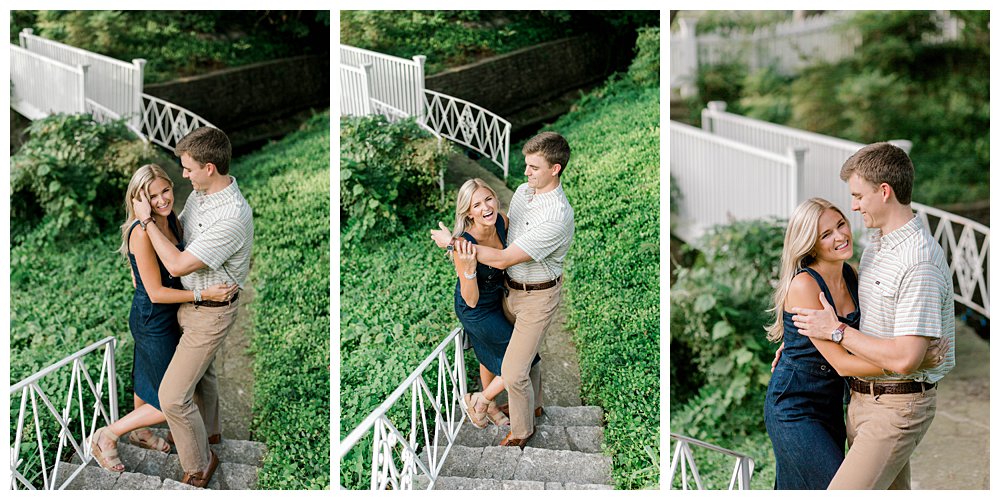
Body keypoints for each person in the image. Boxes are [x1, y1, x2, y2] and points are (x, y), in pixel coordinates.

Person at [791, 142, 955, 489]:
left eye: (858, 196)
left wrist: (834, 331)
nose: (854, 206)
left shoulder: (917, 261)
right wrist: (797, 346)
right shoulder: (878, 245)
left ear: (884, 192)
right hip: (862, 401)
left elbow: (906, 359)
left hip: (897, 407)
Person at [763, 197, 946, 489]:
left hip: (834, 402)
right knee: (832, 485)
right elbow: (842, 363)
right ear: (810, 244)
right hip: (795, 406)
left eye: (840, 225)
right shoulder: (805, 285)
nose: (840, 236)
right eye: (826, 234)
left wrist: (914, 343)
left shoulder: (852, 275)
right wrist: (907, 362)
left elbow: (872, 333)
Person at [89, 165, 236, 473]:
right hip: (154, 317)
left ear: (172, 187)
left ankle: (141, 433)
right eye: (151, 196)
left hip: (164, 314)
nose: (161, 200)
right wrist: (203, 295)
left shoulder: (170, 221)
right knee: (172, 397)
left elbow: (140, 275)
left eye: (164, 191)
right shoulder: (142, 232)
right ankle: (108, 435)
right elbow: (154, 293)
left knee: (148, 380)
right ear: (138, 200)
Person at [432, 131, 574, 448]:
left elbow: (504, 257)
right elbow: (505, 228)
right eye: (526, 165)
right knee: (522, 357)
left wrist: (453, 245)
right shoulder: (524, 193)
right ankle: (532, 404)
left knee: (512, 370)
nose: (525, 173)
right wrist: (465, 252)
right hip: (506, 294)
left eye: (534, 167)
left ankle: (520, 430)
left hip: (538, 296)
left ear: (555, 169)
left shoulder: (557, 217)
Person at [133, 127, 254, 487]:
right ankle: (211, 433)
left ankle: (201, 463)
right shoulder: (202, 195)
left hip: (211, 312)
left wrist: (144, 222)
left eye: (188, 169)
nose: (183, 176)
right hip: (192, 305)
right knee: (205, 376)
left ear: (210, 168)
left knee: (172, 396)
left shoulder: (231, 216)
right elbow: (180, 231)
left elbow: (177, 264)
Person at [449, 179, 541, 428]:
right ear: (468, 212)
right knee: (522, 356)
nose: (485, 207)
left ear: (495, 199)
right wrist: (468, 269)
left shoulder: (502, 221)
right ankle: (481, 400)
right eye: (476, 205)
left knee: (487, 355)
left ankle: (487, 404)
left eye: (488, 199)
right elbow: (471, 299)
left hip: (498, 298)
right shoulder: (464, 245)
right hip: (475, 309)